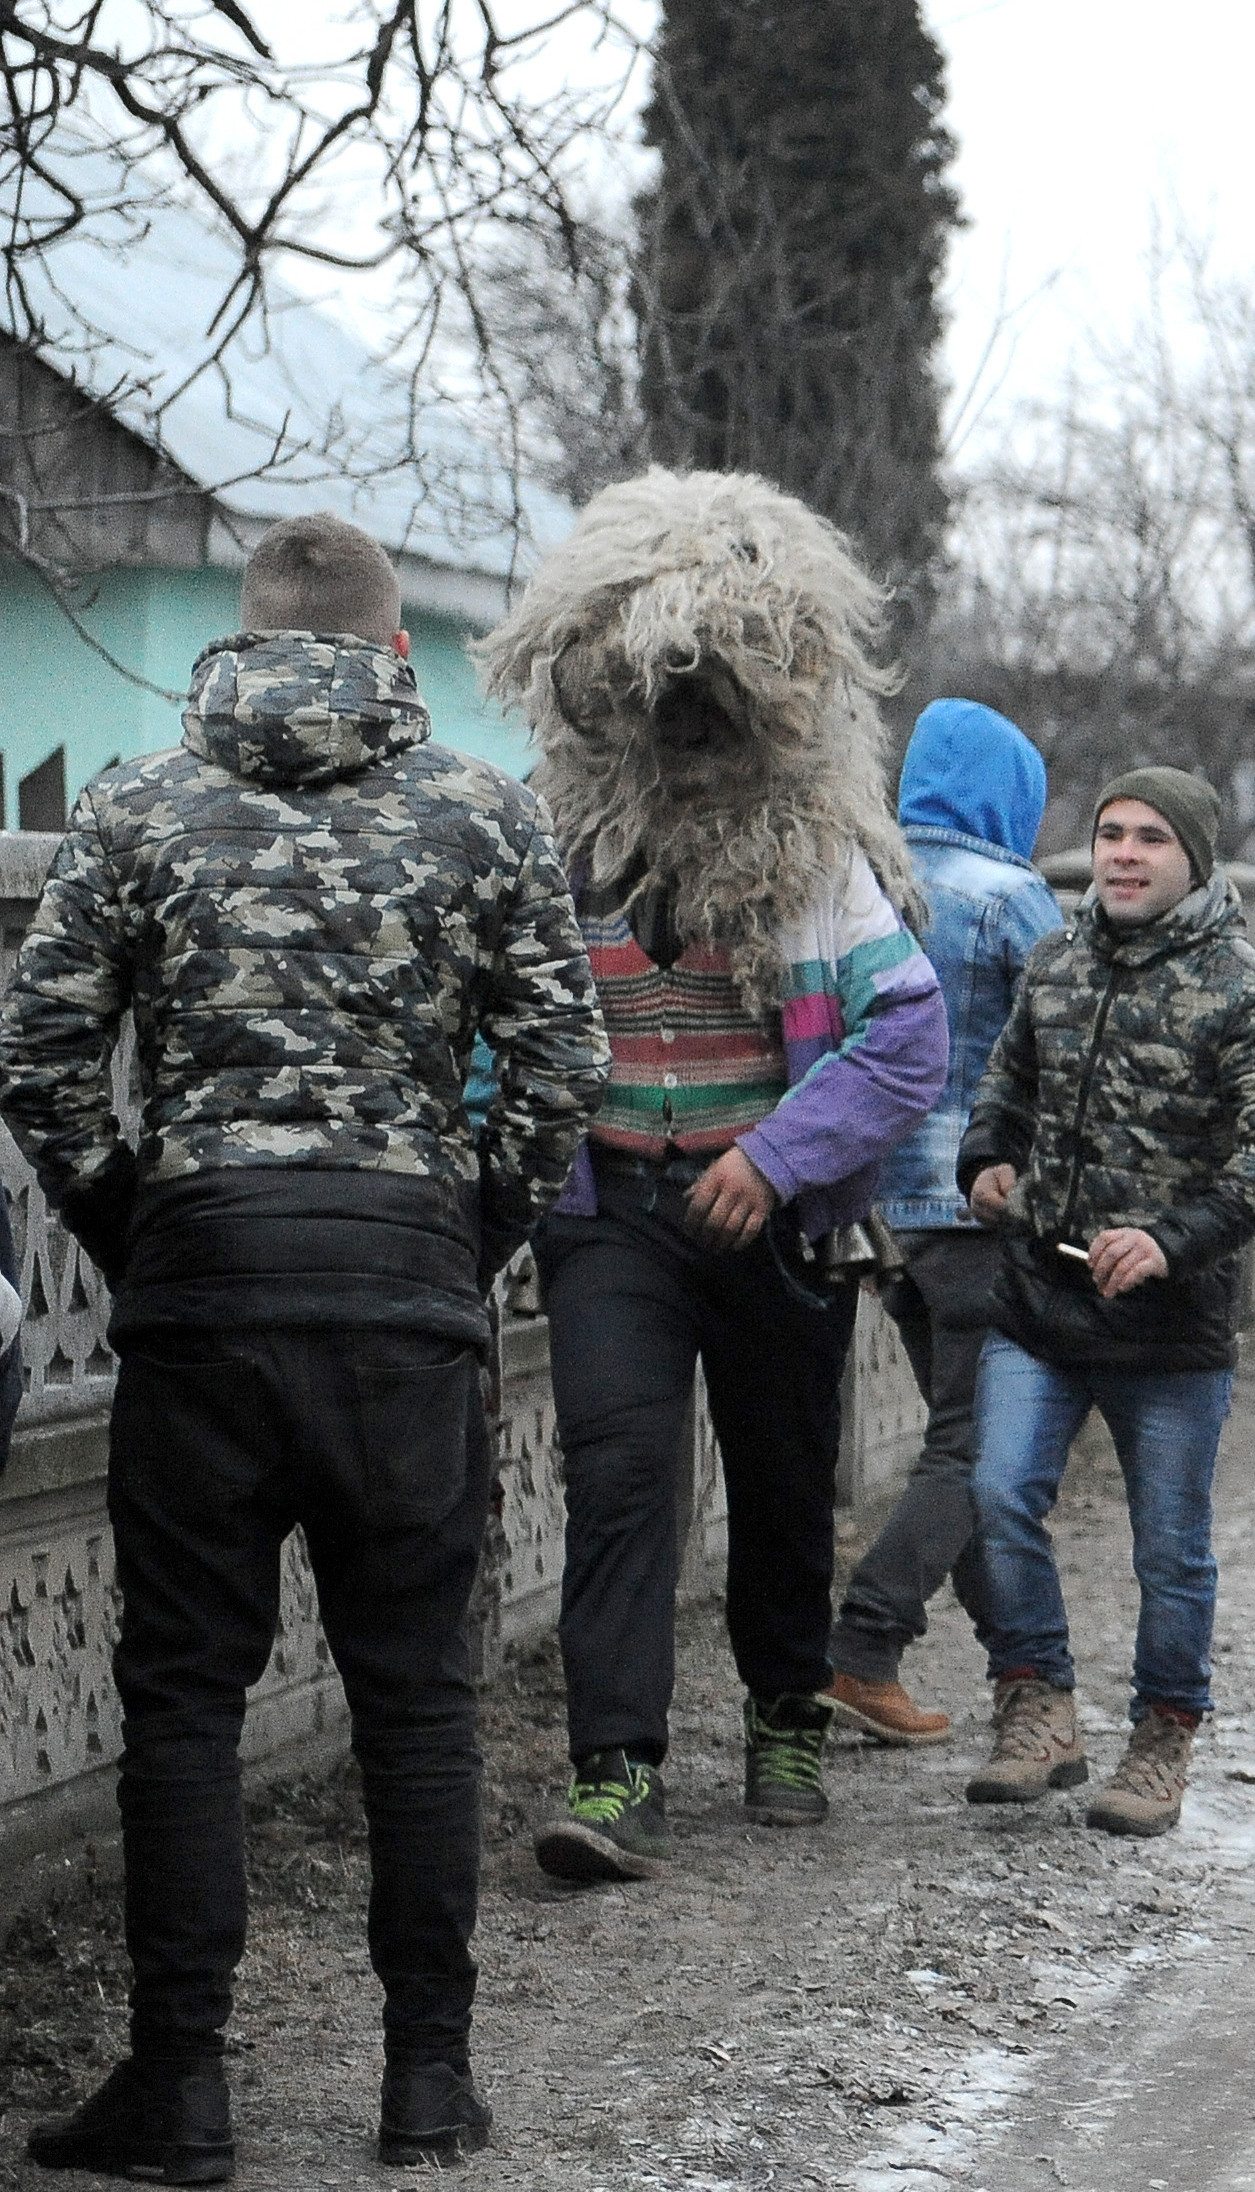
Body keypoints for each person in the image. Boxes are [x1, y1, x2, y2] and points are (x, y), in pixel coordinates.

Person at [6, 514, 607, 2177]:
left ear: (239, 643)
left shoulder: (133, 803)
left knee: (186, 1694)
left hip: (202, 1283)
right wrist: (466, 1233)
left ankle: (180, 2086)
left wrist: (144, 1227)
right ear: (397, 652)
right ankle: (426, 2079)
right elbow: (561, 1055)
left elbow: (44, 1051)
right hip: (402, 1283)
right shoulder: (482, 813)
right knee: (417, 1696)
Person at [476, 470, 949, 1881]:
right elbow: (490, 1027)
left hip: (765, 1220)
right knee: (620, 1474)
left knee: (783, 1471)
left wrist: (775, 1154)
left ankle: (786, 1708)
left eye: (708, 704)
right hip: (611, 1211)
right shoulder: (553, 854)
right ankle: (615, 1770)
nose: (683, 732)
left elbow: (908, 1036)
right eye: (655, 701)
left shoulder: (815, 861)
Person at [953, 769, 1255, 1836]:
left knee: (1168, 1547)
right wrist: (986, 1158)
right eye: (1109, 832)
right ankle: (1036, 1706)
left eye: (1149, 837)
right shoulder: (1055, 962)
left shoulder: (1243, 986)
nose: (1122, 853)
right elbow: (1003, 1083)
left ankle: (1162, 1736)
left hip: (1169, 1329)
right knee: (996, 1492)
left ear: (1191, 859)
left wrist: (1169, 1241)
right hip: (1037, 1303)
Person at [820, 699, 1067, 1745]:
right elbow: (1073, 1051)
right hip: (983, 1210)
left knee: (959, 1446)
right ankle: (863, 1644)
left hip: (878, 1219)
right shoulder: (1015, 899)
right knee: (979, 1449)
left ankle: (1026, 1678)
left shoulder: (856, 884)